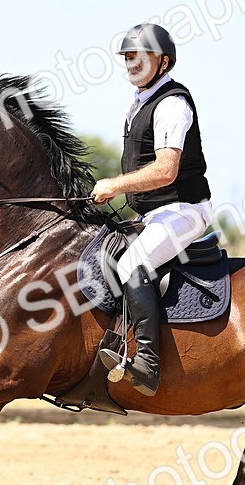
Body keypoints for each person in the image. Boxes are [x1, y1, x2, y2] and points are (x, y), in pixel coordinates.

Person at [90, 23, 213, 396]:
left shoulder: (172, 104)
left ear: (163, 61)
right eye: (127, 57)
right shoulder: (139, 103)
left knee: (132, 265)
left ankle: (148, 361)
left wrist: (115, 185)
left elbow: (165, 170)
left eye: (139, 57)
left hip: (184, 210)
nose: (131, 63)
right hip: (154, 214)